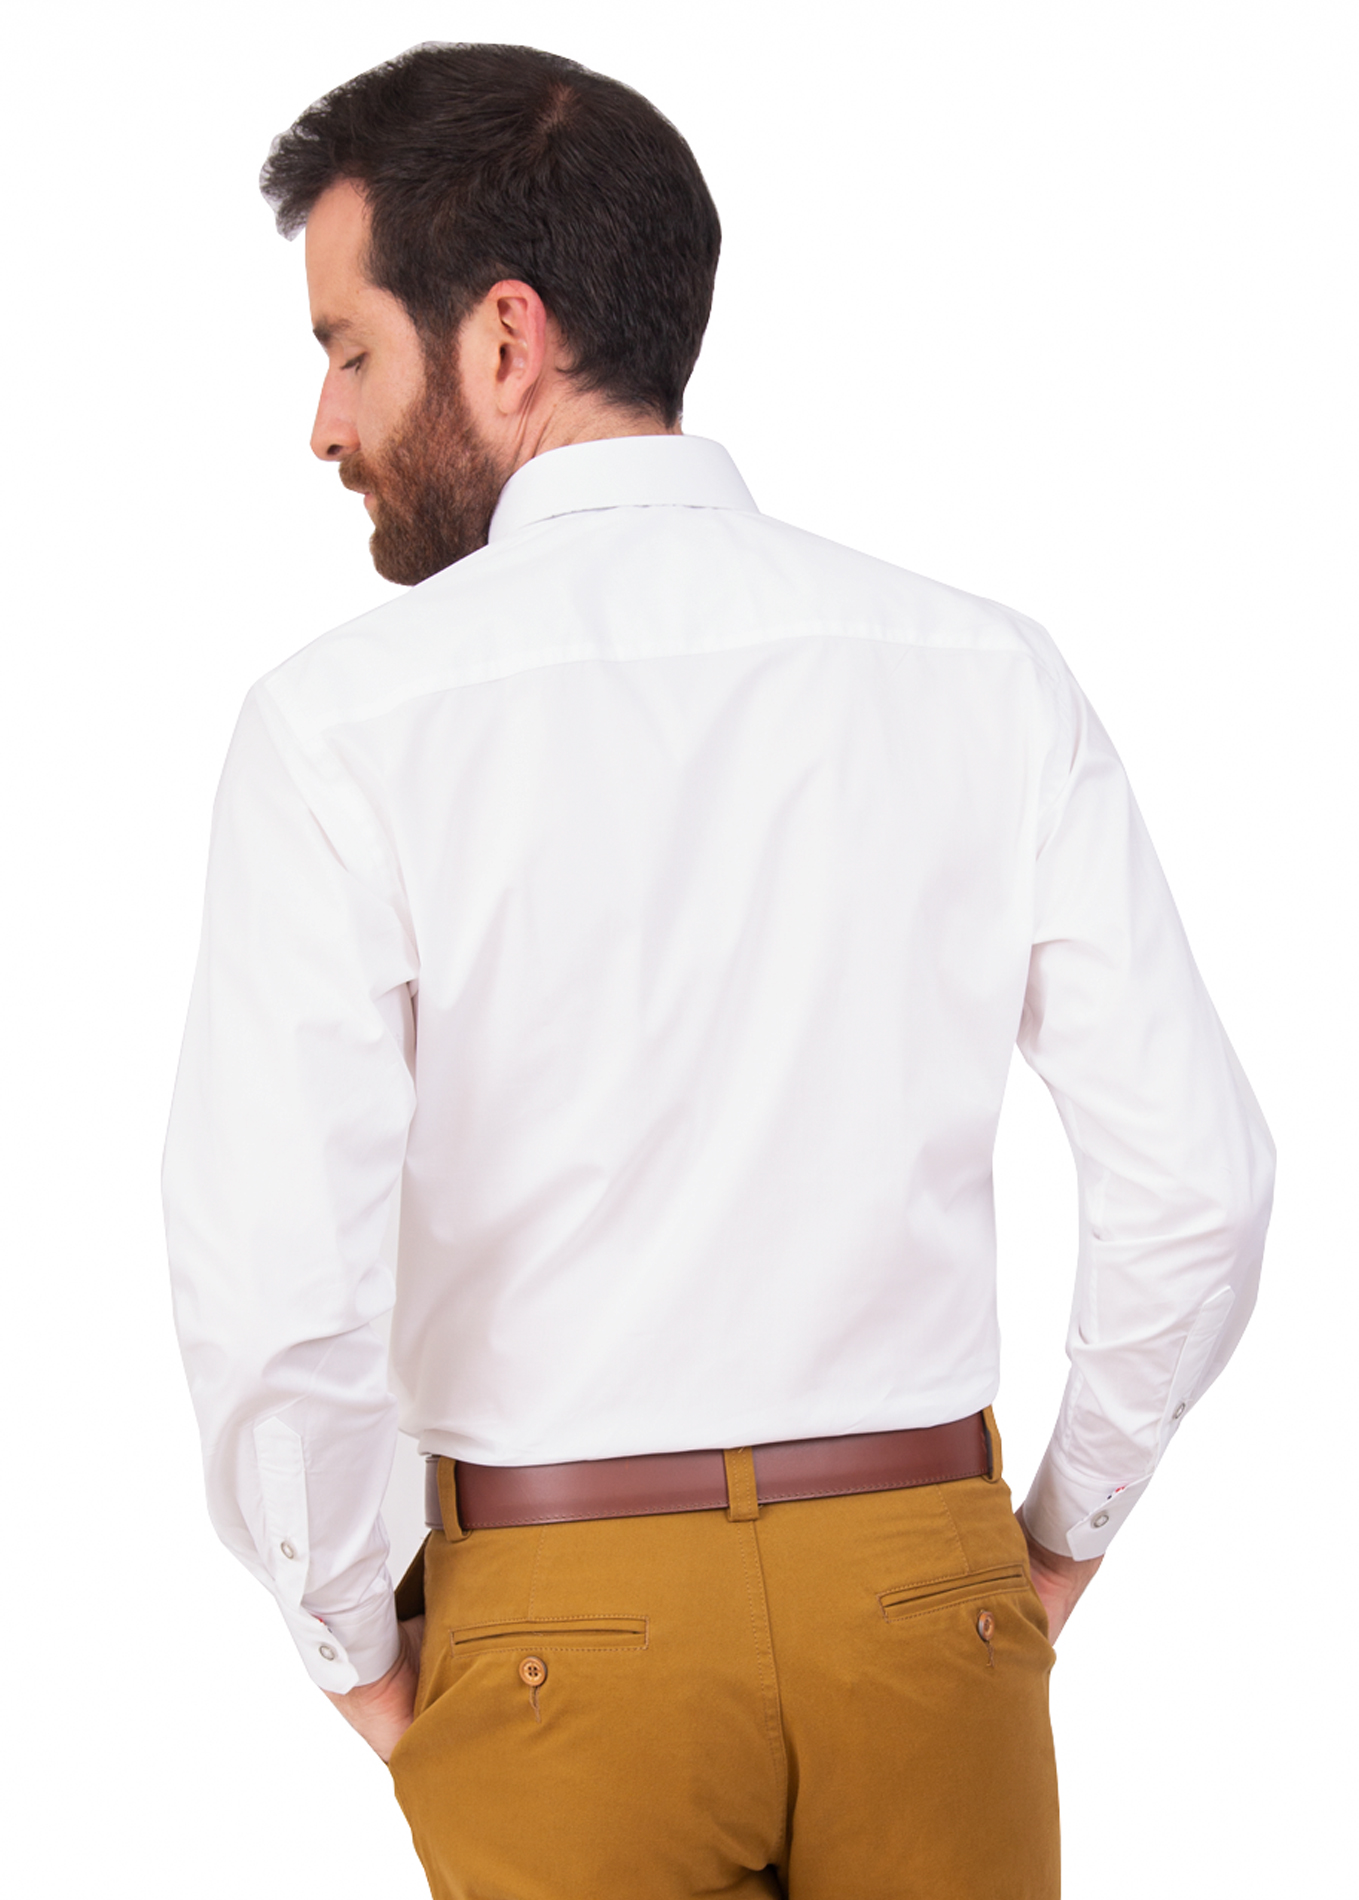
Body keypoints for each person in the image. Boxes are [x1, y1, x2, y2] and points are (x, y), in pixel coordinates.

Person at [163, 41, 1274, 1900]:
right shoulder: (980, 672)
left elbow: (276, 1273)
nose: (325, 424)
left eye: (348, 349)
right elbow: (1201, 1183)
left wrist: (352, 1642)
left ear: (503, 339)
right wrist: (1055, 1540)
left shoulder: (343, 726)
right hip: (924, 1592)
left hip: (558, 1635)